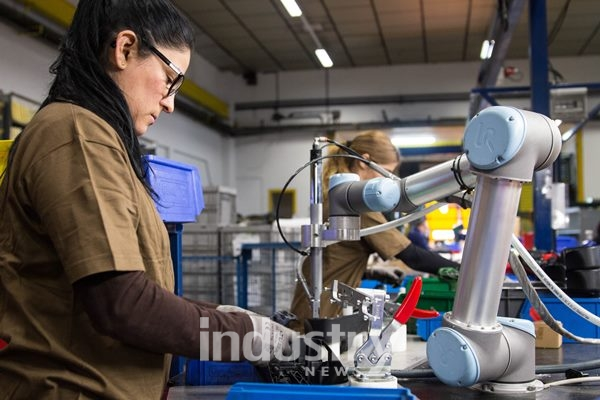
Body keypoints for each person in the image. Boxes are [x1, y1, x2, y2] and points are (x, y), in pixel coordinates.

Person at [0, 1, 294, 399]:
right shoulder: (77, 134)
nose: (171, 103)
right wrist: (250, 336)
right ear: (124, 49)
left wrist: (221, 315)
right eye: (171, 80)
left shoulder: (103, 140)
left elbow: (134, 288)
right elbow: (122, 304)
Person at [289, 130, 460, 332]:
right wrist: (462, 271)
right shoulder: (352, 202)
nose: (387, 182)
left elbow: (334, 258)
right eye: (385, 172)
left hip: (314, 312)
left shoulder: (338, 196)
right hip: (319, 317)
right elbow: (410, 255)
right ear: (364, 161)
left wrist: (373, 272)